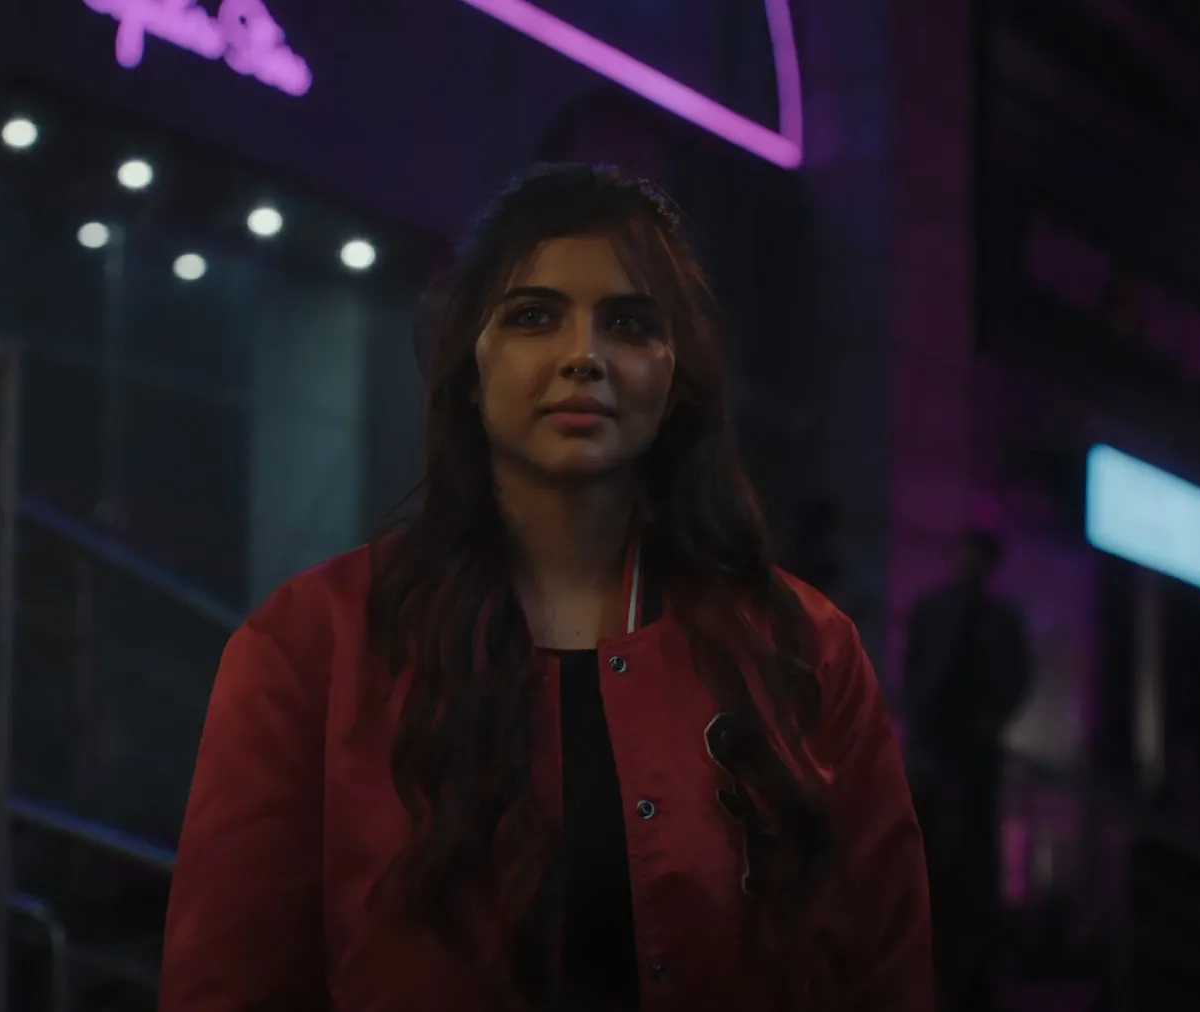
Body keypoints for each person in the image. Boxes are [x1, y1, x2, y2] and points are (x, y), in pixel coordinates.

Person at [162, 165, 932, 1011]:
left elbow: (889, 972)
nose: (583, 357)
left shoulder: (802, 647)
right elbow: (227, 985)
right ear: (470, 364)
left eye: (629, 323)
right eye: (534, 316)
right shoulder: (313, 643)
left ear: (676, 375)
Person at [901, 530, 1032, 1012]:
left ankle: (968, 965)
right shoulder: (934, 609)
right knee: (934, 844)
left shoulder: (1000, 619)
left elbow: (1017, 677)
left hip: (974, 750)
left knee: (973, 850)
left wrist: (993, 718)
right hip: (936, 744)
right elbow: (915, 666)